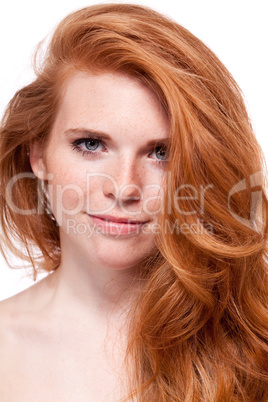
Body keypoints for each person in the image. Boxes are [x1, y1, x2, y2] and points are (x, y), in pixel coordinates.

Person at [0, 3, 267, 401]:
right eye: (90, 144)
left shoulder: (254, 342)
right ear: (37, 155)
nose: (124, 187)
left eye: (161, 153)